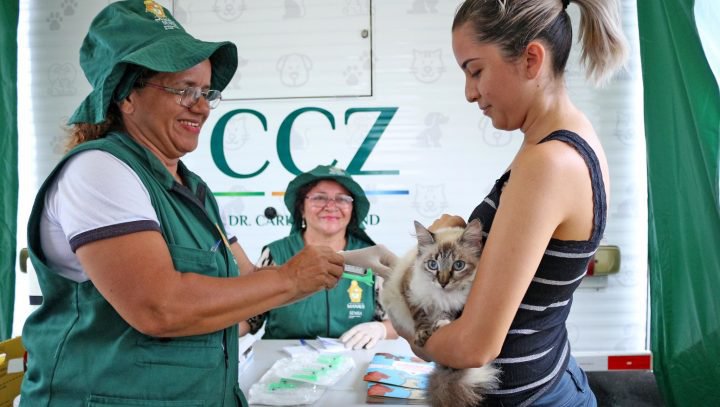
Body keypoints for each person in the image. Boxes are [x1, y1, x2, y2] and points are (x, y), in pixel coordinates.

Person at [19, 1, 343, 406]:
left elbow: (242, 292)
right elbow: (159, 307)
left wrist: (323, 270)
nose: (202, 106)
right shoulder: (100, 170)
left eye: (206, 92)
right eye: (183, 89)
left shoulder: (192, 189)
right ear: (126, 95)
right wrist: (290, 279)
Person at [387, 0, 628, 406]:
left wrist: (403, 315)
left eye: (475, 71)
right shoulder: (562, 142)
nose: (469, 93)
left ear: (531, 59)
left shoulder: (547, 162)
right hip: (548, 380)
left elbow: (472, 347)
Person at [240, 165, 398, 349]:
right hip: (280, 366)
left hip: (354, 362)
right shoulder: (276, 254)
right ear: (301, 208)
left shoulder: (370, 257)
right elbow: (248, 319)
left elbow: (398, 323)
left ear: (352, 209)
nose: (331, 206)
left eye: (342, 199)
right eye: (319, 198)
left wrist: (380, 329)